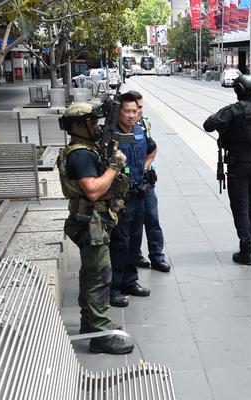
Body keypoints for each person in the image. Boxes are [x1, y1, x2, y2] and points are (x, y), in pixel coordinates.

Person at [58, 102, 134, 355]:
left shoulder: (87, 149)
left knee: (91, 274)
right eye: (90, 122)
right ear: (76, 127)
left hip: (95, 221)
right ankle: (101, 334)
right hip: (92, 222)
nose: (96, 125)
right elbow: (92, 190)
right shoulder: (80, 155)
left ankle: (91, 325)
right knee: (100, 278)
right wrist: (114, 167)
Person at [203, 74, 251, 265]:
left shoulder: (233, 110)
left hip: (238, 164)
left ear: (237, 90)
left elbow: (208, 125)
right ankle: (250, 233)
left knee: (240, 206)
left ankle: (246, 248)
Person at [108, 92, 157, 307]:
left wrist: (146, 168)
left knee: (135, 241)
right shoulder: (110, 135)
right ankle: (115, 287)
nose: (131, 115)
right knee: (119, 243)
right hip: (119, 199)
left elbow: (152, 149)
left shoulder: (139, 130)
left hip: (139, 194)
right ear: (118, 112)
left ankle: (131, 281)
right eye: (127, 111)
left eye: (135, 111)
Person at [128, 90, 171, 272]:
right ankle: (134, 255)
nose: (138, 111)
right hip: (127, 182)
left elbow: (152, 148)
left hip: (145, 180)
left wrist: (146, 166)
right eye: (134, 108)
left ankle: (157, 256)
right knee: (131, 224)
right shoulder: (119, 128)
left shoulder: (144, 124)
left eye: (140, 107)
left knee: (152, 219)